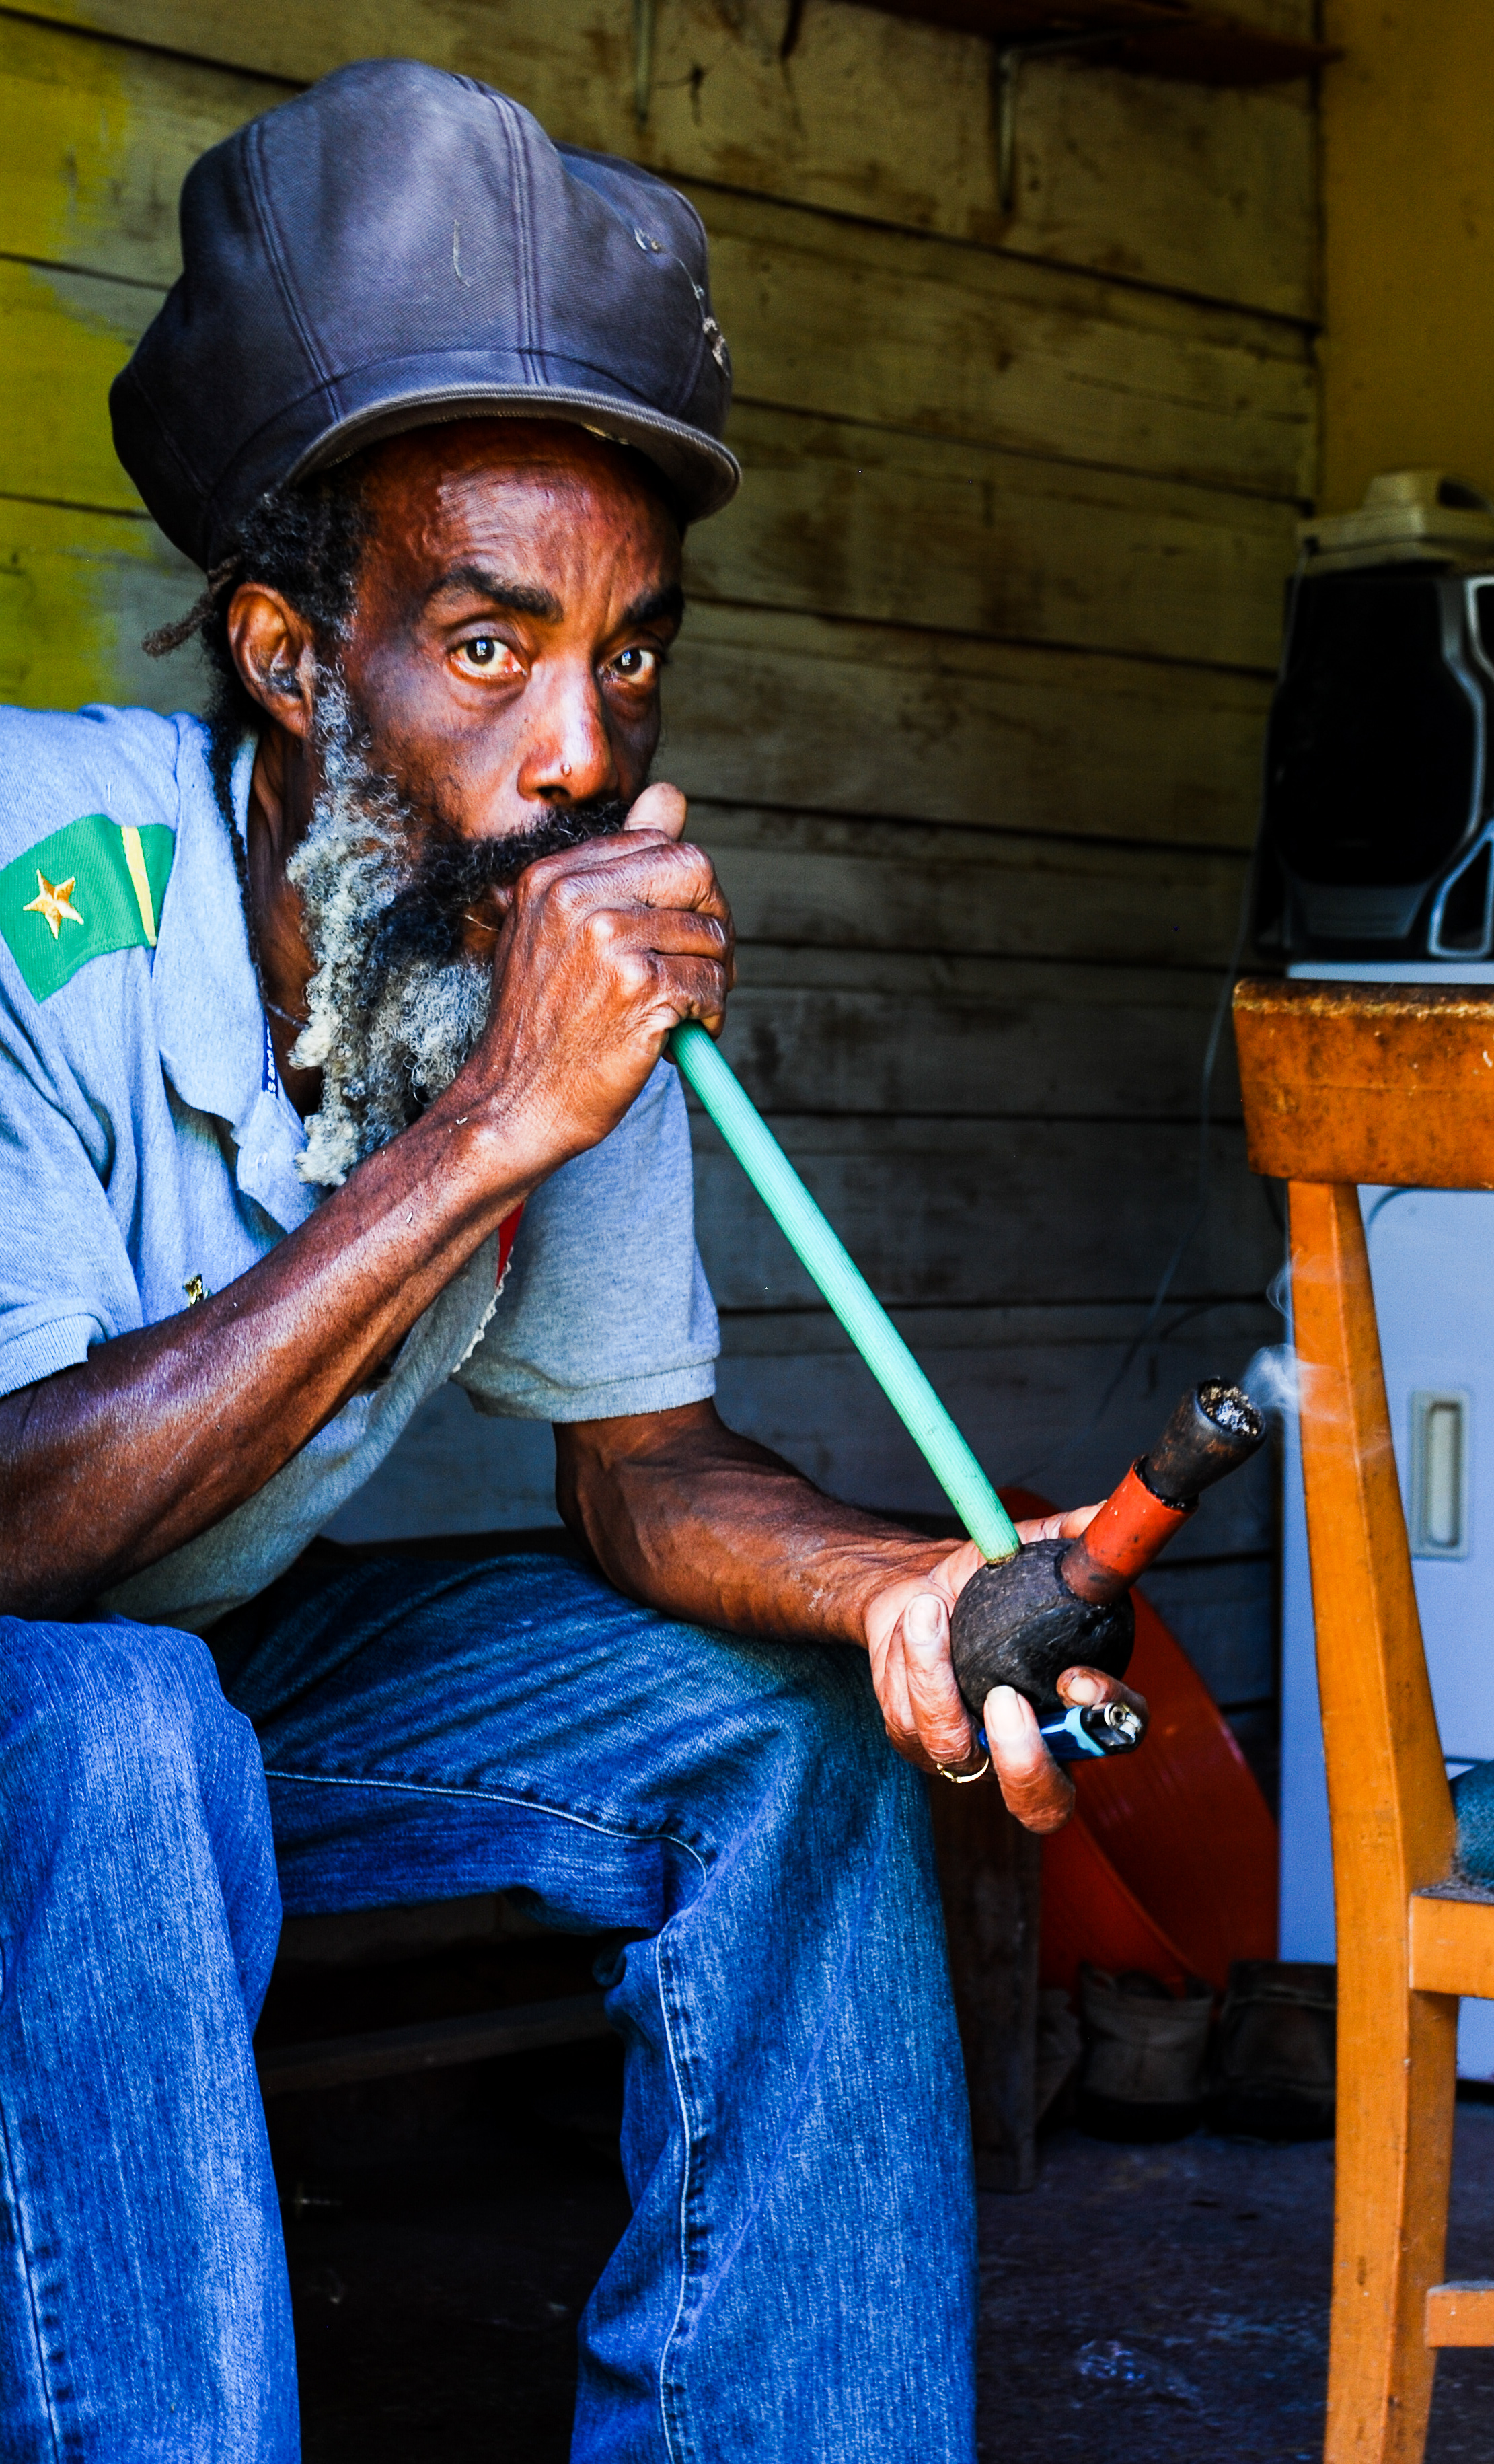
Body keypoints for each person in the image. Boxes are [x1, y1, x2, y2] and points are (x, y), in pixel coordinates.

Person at [0, 59, 1144, 2463]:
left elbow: (640, 1477)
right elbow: (14, 1542)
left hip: (214, 1693)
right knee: (106, 1729)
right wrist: (494, 1129)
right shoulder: (35, 882)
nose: (583, 753)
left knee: (784, 1733)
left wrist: (909, 1589)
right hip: (67, 1704)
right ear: (290, 659)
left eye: (632, 655)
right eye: (493, 645)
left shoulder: (511, 927)